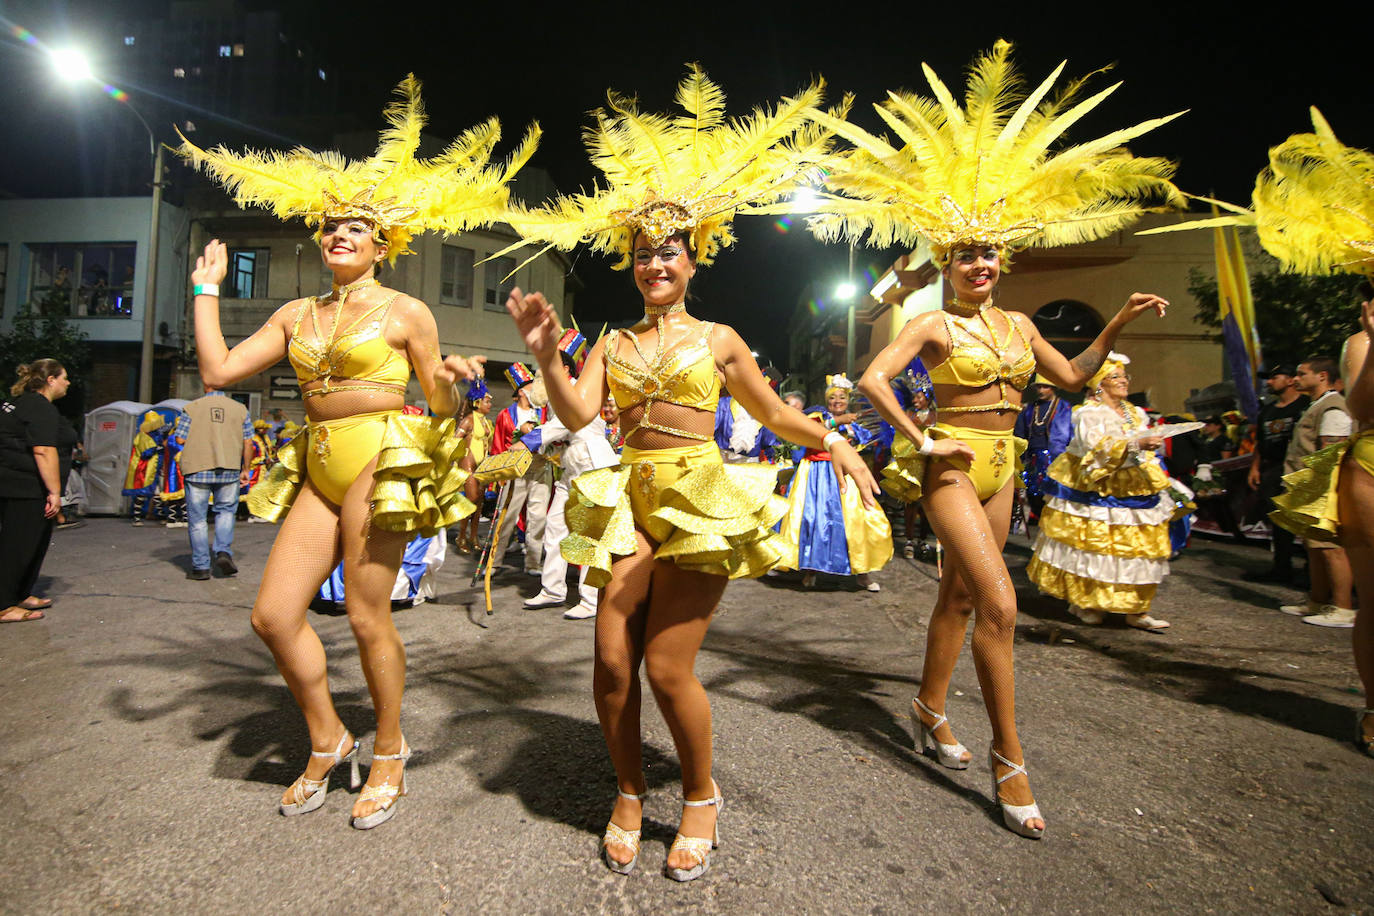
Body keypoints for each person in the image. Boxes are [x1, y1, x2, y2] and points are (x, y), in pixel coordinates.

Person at [503, 66, 871, 879]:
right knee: (607, 660)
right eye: (641, 254)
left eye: (666, 252)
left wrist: (832, 439)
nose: (652, 264)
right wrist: (543, 353)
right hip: (629, 499)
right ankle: (630, 790)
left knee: (667, 667)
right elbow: (572, 413)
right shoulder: (611, 342)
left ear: (693, 259)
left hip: (698, 496)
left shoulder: (720, 339)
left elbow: (774, 417)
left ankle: (699, 794)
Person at [810, 41, 1184, 838]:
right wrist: (921, 438)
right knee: (1000, 605)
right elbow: (874, 380)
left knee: (956, 595)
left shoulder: (1018, 323)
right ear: (947, 263)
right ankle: (1010, 759)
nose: (979, 263)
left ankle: (926, 708)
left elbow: (1073, 378)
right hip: (953, 463)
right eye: (965, 254)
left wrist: (1113, 322)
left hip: (1006, 465)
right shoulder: (930, 322)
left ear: (1002, 260)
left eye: (988, 253)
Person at [177, 75, 532, 827]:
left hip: (378, 455)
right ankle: (329, 738)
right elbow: (217, 371)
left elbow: (434, 401)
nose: (341, 234)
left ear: (382, 244)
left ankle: (391, 750)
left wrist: (451, 381)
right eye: (332, 225)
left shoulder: (407, 311)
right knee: (273, 616)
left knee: (370, 616)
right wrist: (205, 293)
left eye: (357, 229)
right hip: (317, 461)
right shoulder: (295, 311)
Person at [1026, 354, 1192, 631]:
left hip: (1136, 483)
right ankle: (1087, 602)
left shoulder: (1134, 412)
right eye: (1115, 376)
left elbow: (1138, 441)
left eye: (1124, 376)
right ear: (1098, 385)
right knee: (1096, 545)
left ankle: (1136, 609)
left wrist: (1148, 445)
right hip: (1098, 483)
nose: (1124, 380)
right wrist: (1136, 445)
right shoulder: (1088, 413)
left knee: (1139, 547)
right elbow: (1095, 448)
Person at [522, 329, 620, 619]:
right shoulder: (557, 392)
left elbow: (564, 423)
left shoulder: (578, 388)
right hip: (571, 466)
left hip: (592, 464)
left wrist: (526, 442)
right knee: (555, 528)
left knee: (588, 535)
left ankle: (590, 601)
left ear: (565, 368)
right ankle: (553, 590)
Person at [774, 373, 891, 591]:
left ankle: (862, 573)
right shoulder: (816, 416)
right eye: (832, 398)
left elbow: (862, 447)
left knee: (857, 520)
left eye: (842, 398)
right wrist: (836, 422)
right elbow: (805, 429)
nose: (837, 402)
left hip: (844, 476)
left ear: (848, 401)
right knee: (813, 519)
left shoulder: (853, 425)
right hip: (815, 474)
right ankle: (811, 570)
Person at [1274, 358, 1354, 625]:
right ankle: (1317, 601)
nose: (1295, 379)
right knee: (1314, 546)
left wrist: (1321, 492)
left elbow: (1332, 451)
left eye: (1301, 374)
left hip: (1323, 487)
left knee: (1331, 548)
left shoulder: (1333, 406)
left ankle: (1342, 607)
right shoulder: (1318, 405)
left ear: (1322, 376)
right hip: (1310, 487)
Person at [0, 359, 68, 622]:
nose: (68, 383)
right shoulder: (39, 407)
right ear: (51, 380)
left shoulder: (24, 404)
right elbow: (43, 450)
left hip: (24, 484)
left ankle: (20, 594)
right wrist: (54, 492)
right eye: (64, 377)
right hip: (24, 486)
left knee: (33, 543)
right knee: (18, 545)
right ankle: (5, 604)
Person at [173, 384, 253, 580]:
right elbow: (248, 442)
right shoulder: (240, 409)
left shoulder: (192, 407)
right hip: (229, 467)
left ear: (206, 385)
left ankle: (200, 567)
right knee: (226, 511)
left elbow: (180, 439)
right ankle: (223, 551)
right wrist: (246, 469)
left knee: (198, 519)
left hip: (198, 468)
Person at [1246, 367, 1309, 583]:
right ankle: (1282, 567)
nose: (1269, 382)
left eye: (1274, 378)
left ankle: (1313, 570)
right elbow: (1260, 443)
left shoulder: (1305, 406)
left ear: (1291, 380)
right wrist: (1255, 467)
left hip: (1298, 467)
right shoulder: (1268, 410)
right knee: (1278, 520)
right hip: (1272, 469)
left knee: (1305, 519)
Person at [486, 363, 551, 575]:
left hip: (540, 468)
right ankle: (494, 561)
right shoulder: (505, 415)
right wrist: (499, 476)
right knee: (506, 517)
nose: (537, 389)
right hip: (515, 471)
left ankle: (533, 562)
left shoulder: (545, 413)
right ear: (523, 391)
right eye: (532, 386)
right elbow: (497, 446)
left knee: (538, 517)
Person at [1013, 377, 1072, 523]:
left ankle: (1051, 520)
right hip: (1032, 456)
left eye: (1045, 387)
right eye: (1038, 387)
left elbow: (1067, 434)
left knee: (1052, 490)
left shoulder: (1063, 407)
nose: (1041, 391)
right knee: (1032, 491)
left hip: (1055, 456)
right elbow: (1020, 433)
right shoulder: (1030, 409)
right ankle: (1037, 517)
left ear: (1053, 388)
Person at [454, 378, 494, 554]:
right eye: (487, 401)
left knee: (479, 503)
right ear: (477, 402)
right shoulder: (469, 421)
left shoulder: (487, 422)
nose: (490, 404)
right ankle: (461, 535)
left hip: (482, 466)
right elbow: (454, 440)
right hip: (468, 463)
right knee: (470, 499)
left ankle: (474, 535)